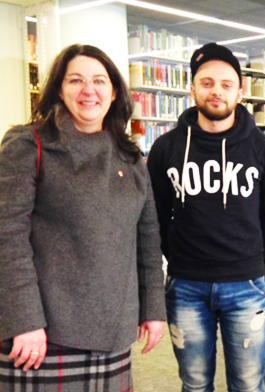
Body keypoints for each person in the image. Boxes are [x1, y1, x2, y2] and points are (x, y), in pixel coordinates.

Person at [0, 44, 166, 391]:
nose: (89, 90)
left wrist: (153, 309)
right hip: (41, 335)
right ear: (59, 89)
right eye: (76, 80)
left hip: (113, 331)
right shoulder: (28, 145)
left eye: (99, 80)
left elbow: (147, 238)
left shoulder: (130, 156)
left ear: (114, 91)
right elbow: (6, 237)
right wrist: (24, 320)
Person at [147, 42, 265, 392]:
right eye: (206, 83)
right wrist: (178, 254)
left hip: (246, 284)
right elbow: (155, 216)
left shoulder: (262, 148)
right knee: (194, 383)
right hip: (186, 285)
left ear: (241, 92)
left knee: (247, 384)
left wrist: (247, 255)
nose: (216, 92)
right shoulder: (166, 148)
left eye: (226, 84)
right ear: (192, 88)